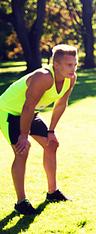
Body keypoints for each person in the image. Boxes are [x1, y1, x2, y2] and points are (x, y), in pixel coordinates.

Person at [0, 45, 78, 215]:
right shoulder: (43, 77)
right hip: (10, 111)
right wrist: (23, 135)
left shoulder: (70, 78)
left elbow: (60, 104)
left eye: (75, 65)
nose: (73, 69)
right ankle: (21, 203)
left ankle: (53, 193)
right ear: (56, 65)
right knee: (22, 151)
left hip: (30, 112)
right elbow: (27, 106)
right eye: (69, 65)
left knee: (51, 145)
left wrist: (51, 131)